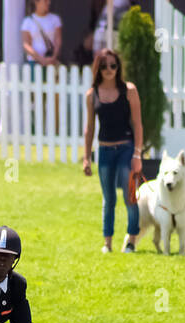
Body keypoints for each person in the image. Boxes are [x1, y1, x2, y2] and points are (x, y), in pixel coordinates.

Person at [81, 49, 144, 253]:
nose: (109, 69)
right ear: (98, 68)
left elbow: (138, 124)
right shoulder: (92, 94)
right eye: (104, 65)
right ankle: (107, 243)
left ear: (118, 67)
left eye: (113, 65)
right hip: (105, 151)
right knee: (109, 198)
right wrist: (87, 158)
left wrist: (137, 154)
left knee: (130, 196)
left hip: (126, 148)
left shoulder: (129, 90)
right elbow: (89, 128)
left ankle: (131, 240)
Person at [21, 0, 62, 67]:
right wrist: (41, 59)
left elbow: (58, 40)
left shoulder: (55, 19)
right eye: (45, 1)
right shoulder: (28, 21)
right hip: (34, 62)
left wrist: (53, 57)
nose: (48, 3)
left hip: (51, 61)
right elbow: (26, 44)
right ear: (36, 2)